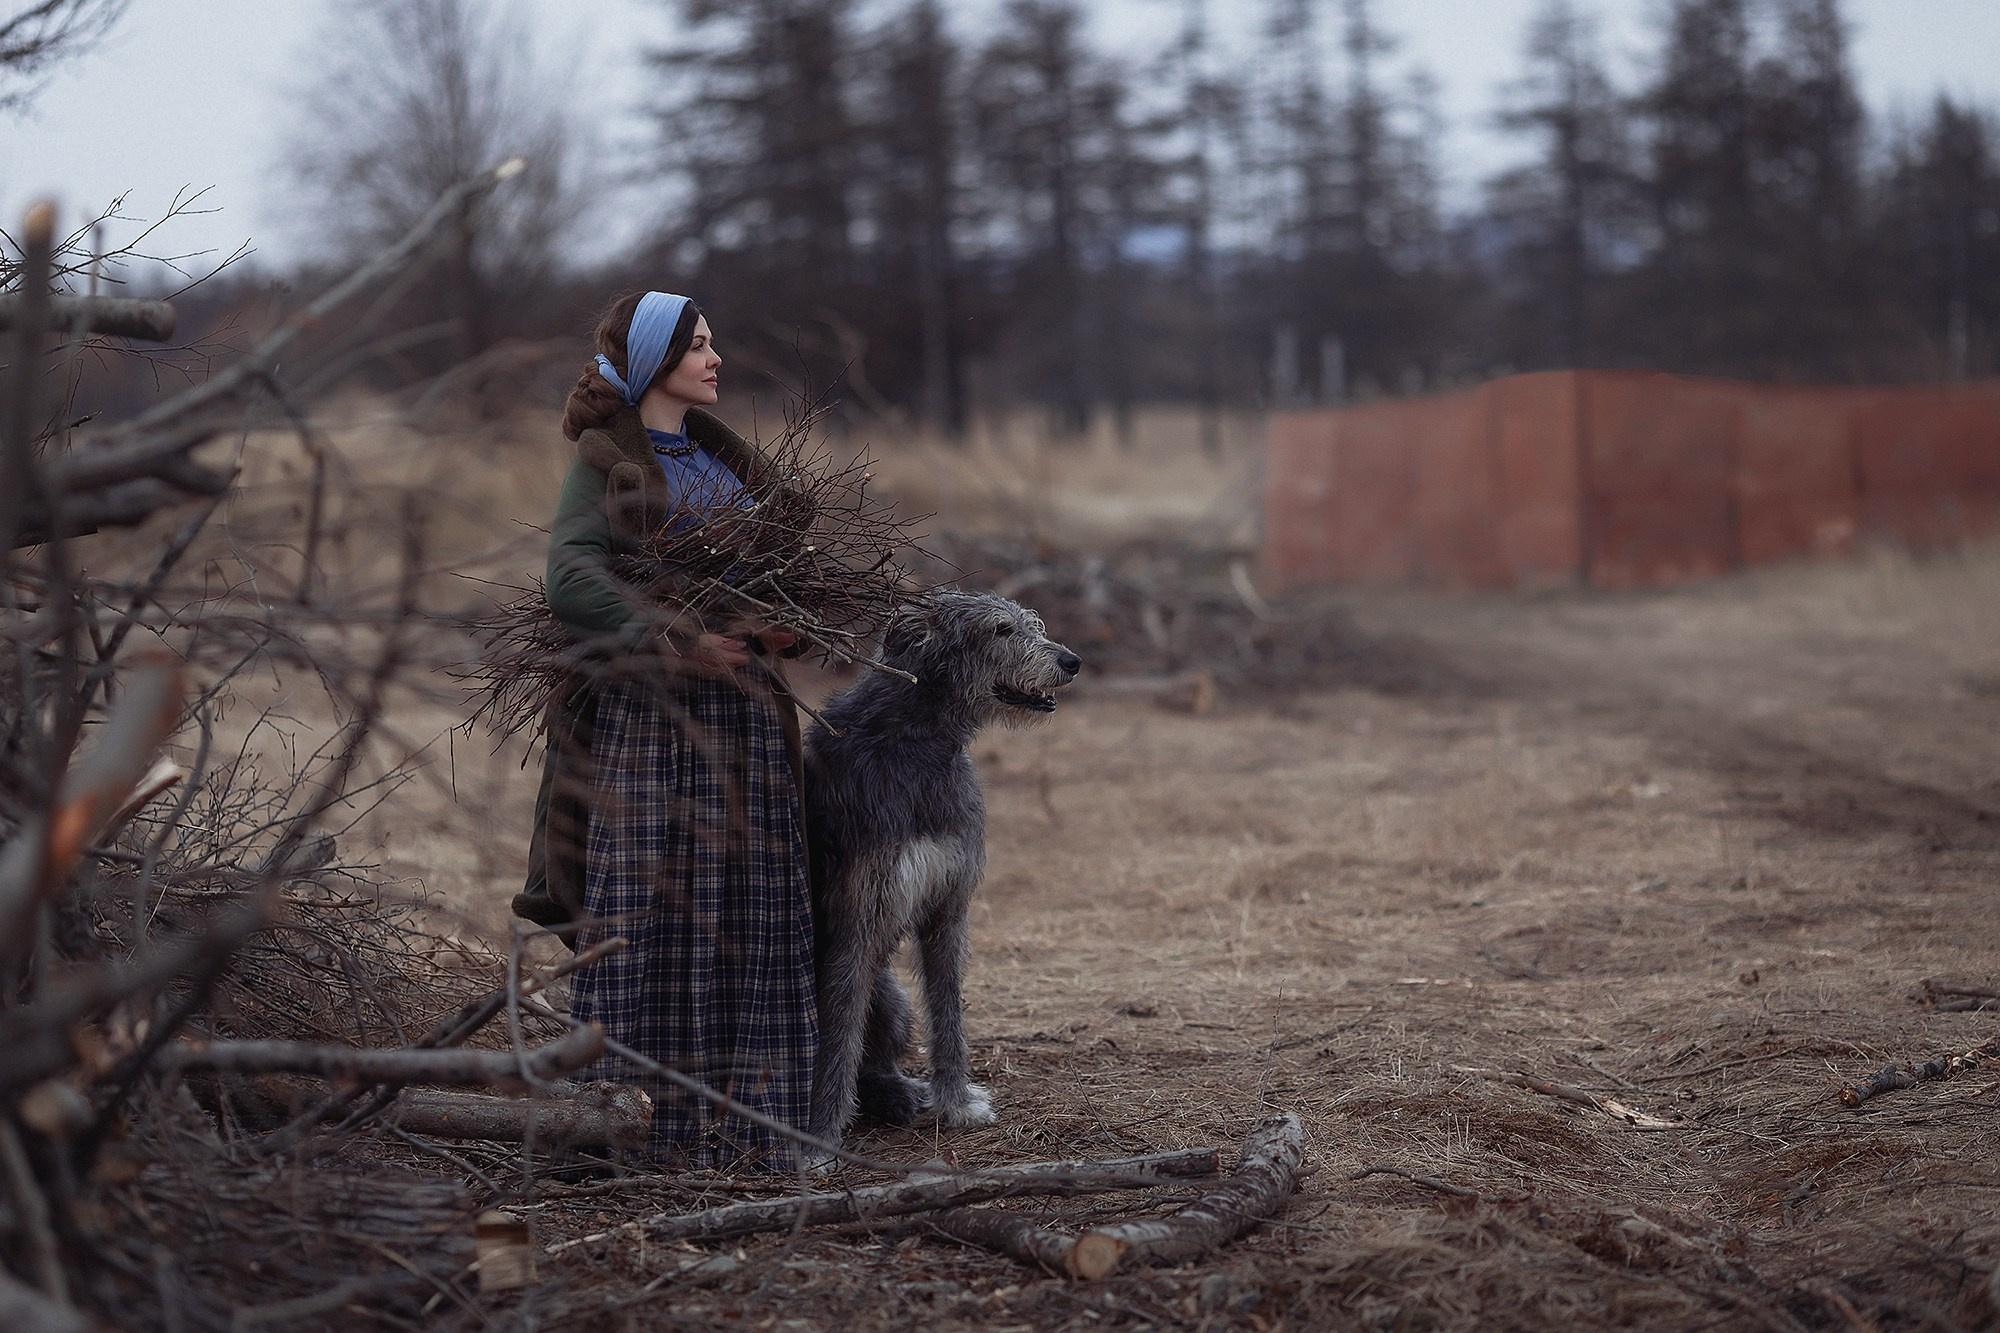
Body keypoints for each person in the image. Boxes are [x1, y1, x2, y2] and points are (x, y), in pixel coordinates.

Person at [517, 289, 816, 1170]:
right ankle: (630, 1126)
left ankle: (751, 1129)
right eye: (698, 346)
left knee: (753, 910)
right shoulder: (607, 464)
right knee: (650, 910)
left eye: (712, 344)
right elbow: (570, 576)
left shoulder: (731, 467)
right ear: (656, 363)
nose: (715, 359)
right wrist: (677, 638)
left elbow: (782, 581)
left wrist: (782, 628)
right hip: (655, 727)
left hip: (748, 725)